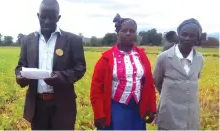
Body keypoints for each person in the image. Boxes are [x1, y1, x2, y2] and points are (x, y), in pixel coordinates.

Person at [14, 0, 86, 130]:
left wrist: (59, 77)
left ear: (58, 18)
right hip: (37, 105)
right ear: (38, 16)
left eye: (52, 17)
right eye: (43, 17)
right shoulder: (27, 40)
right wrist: (20, 76)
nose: (47, 21)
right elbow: (20, 66)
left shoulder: (73, 40)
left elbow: (80, 68)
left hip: (63, 105)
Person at [90, 14, 156, 130]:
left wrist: (151, 108)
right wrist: (99, 113)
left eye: (132, 31)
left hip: (137, 108)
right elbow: (96, 89)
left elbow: (149, 84)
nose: (128, 33)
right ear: (118, 33)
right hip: (116, 107)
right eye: (124, 30)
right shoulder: (106, 58)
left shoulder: (141, 56)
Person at [153, 18, 204, 130]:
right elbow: (157, 81)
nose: (187, 38)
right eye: (184, 34)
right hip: (169, 112)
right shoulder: (164, 58)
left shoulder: (200, 59)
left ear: (197, 38)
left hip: (191, 114)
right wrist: (172, 94)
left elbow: (194, 78)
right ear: (178, 35)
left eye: (192, 36)